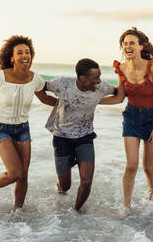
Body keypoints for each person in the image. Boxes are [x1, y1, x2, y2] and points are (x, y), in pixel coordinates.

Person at [0, 35, 56, 210]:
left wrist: (66, 103)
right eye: (19, 52)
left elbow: (44, 98)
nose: (24, 55)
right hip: (1, 128)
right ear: (12, 58)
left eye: (27, 52)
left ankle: (17, 211)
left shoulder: (35, 78)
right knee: (15, 173)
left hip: (22, 128)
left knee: (24, 175)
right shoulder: (1, 76)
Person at [100, 27, 153, 211]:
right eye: (125, 43)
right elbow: (119, 97)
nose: (128, 46)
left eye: (132, 43)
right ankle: (127, 206)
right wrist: (94, 102)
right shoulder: (120, 68)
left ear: (140, 46)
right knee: (131, 165)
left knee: (148, 166)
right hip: (131, 117)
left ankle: (152, 191)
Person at [45, 58, 119, 211]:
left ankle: (75, 212)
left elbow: (119, 95)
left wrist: (123, 75)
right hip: (62, 138)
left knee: (86, 182)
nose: (99, 81)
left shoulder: (101, 87)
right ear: (82, 78)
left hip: (85, 136)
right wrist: (53, 102)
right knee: (66, 186)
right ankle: (60, 189)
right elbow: (37, 86)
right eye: (95, 77)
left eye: (99, 76)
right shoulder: (62, 83)